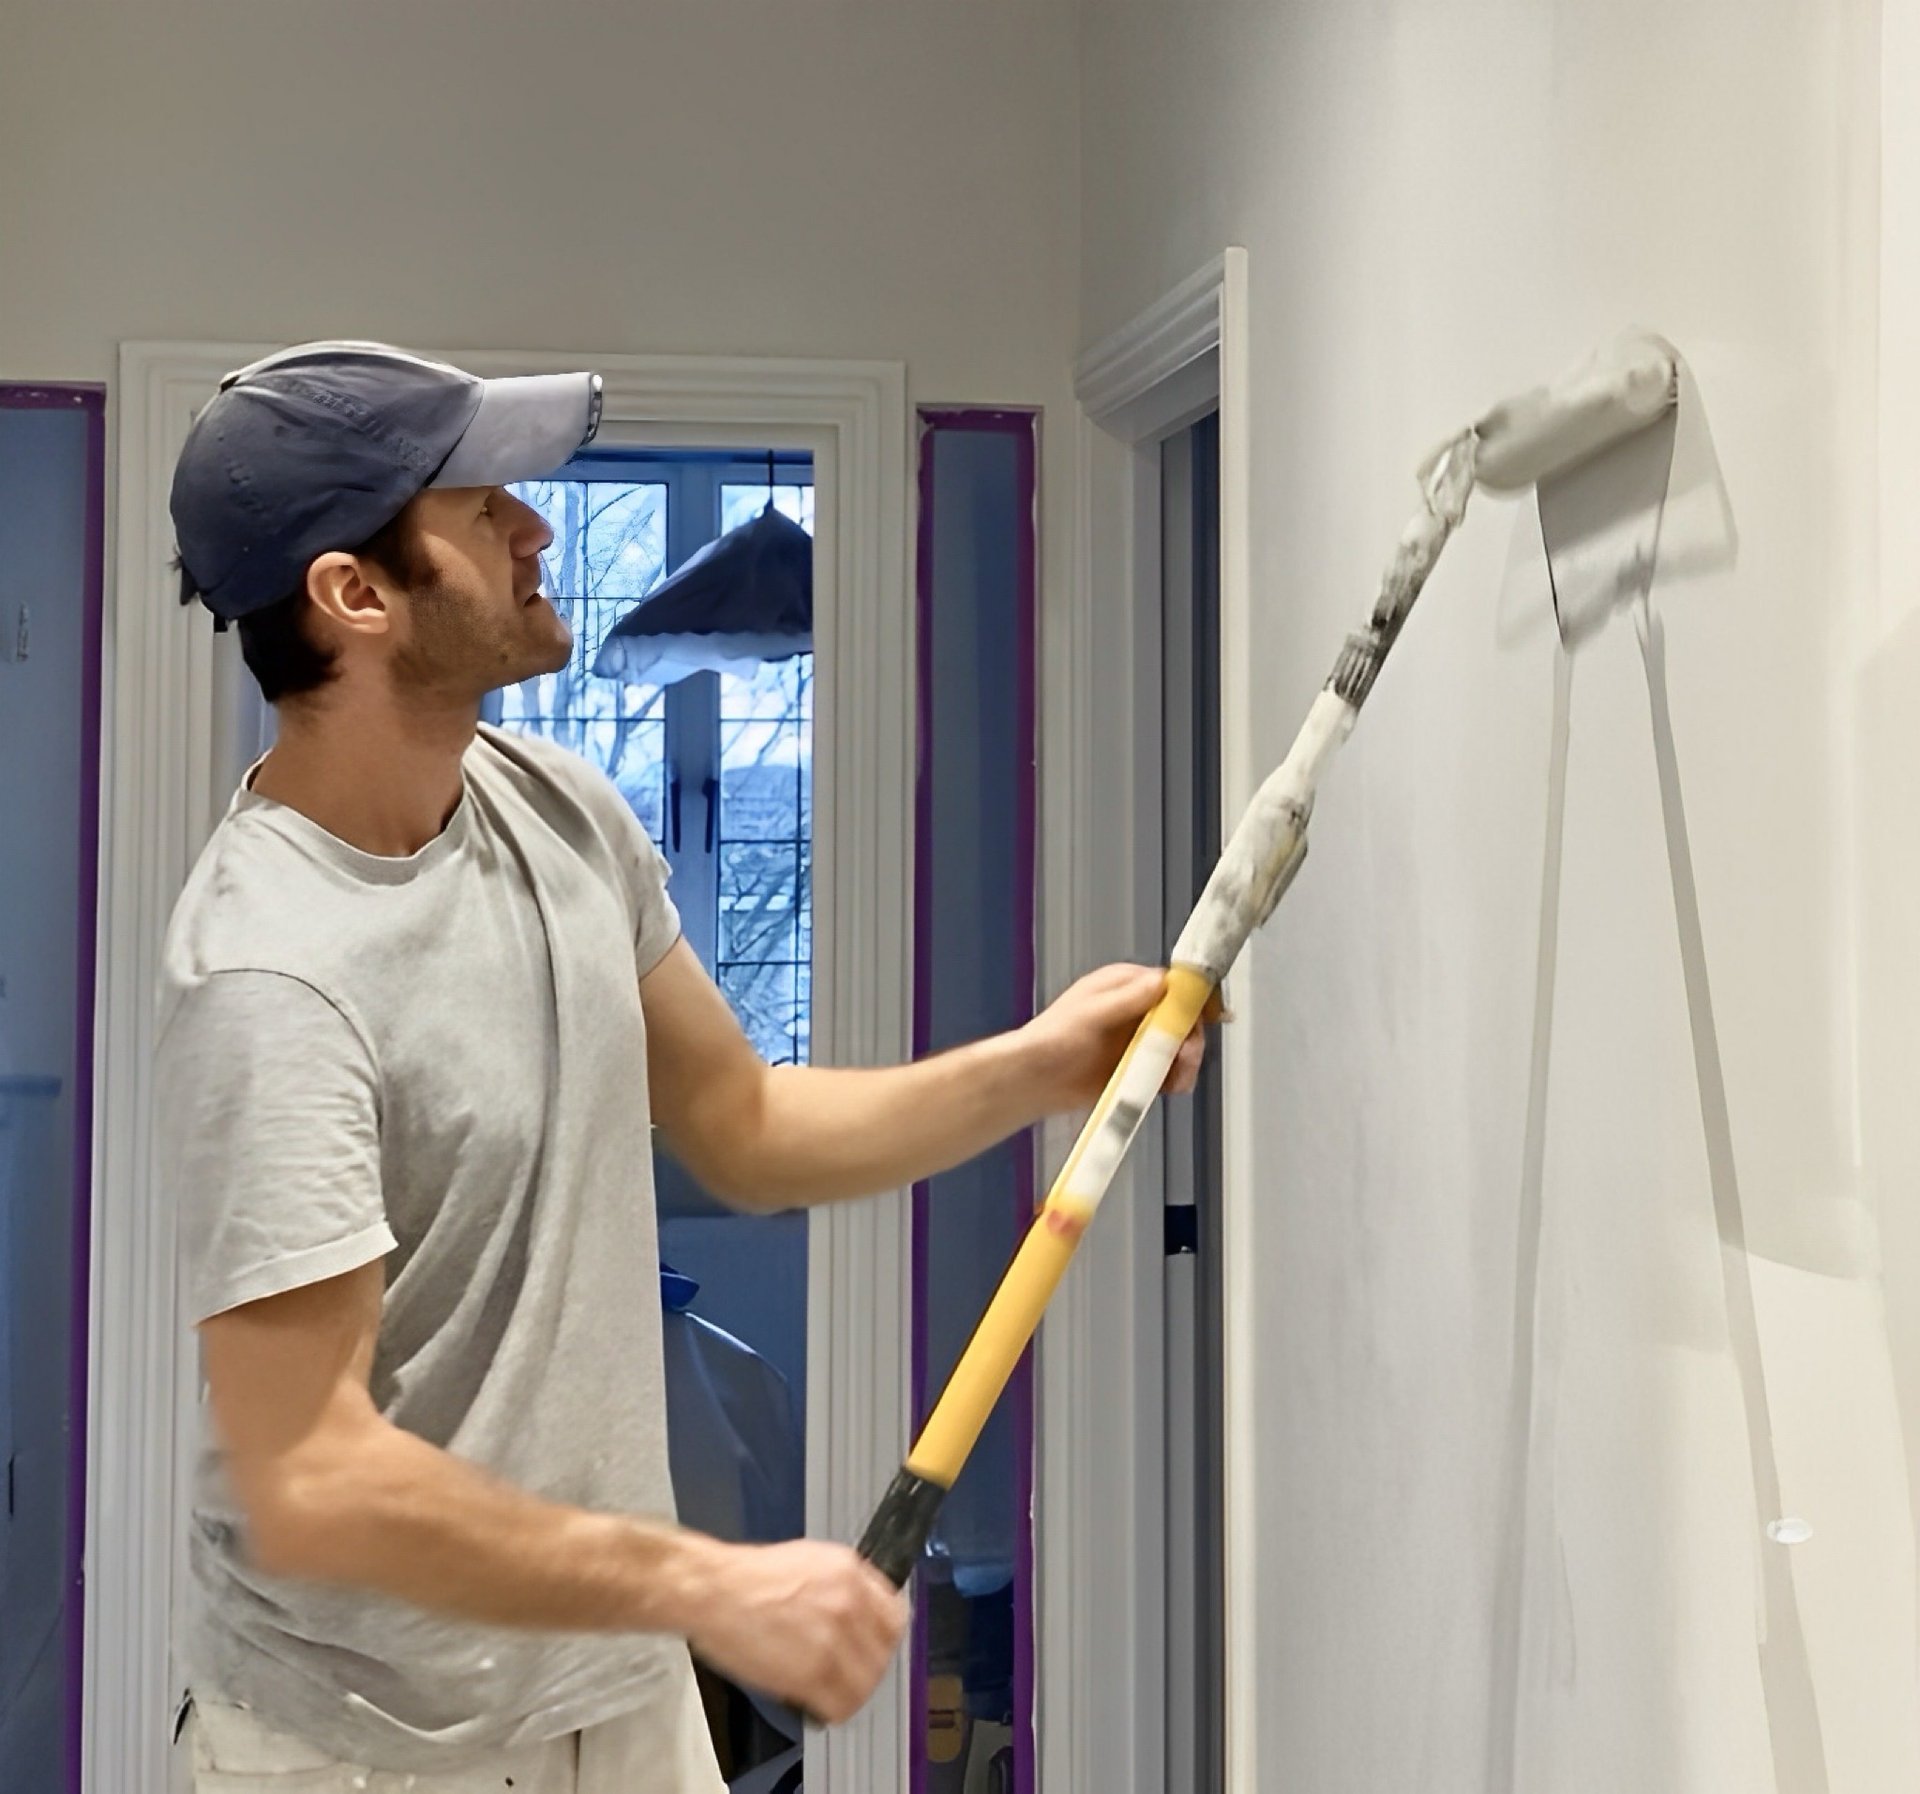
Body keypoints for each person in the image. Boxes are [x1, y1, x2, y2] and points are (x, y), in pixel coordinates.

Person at [156, 342, 1211, 1794]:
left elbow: (749, 1122)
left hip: (613, 1698)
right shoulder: (272, 971)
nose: (535, 525)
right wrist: (706, 1585)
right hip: (372, 1749)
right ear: (354, 594)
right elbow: (310, 1477)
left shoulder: (556, 811)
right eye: (479, 508)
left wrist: (1038, 1066)